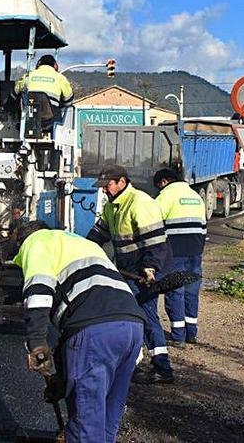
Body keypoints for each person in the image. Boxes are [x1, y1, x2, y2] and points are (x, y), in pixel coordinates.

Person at [13, 220, 145, 442]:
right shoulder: (80, 243)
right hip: (132, 327)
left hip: (96, 330)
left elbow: (39, 291)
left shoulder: (36, 242)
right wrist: (63, 381)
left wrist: (36, 342)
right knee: (106, 417)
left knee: (86, 423)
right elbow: (72, 337)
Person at [86, 163, 174, 384]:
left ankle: (162, 368)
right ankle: (134, 363)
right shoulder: (112, 206)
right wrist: (82, 250)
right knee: (131, 316)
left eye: (108, 185)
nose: (104, 190)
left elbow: (156, 243)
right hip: (127, 272)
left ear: (122, 182)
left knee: (145, 316)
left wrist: (150, 268)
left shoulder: (140, 203)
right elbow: (98, 234)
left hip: (144, 272)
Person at [153, 168, 206, 346]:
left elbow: (152, 222)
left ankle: (178, 336)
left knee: (175, 291)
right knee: (191, 291)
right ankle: (191, 333)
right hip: (195, 251)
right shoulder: (196, 196)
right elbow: (204, 226)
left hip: (174, 251)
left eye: (159, 185)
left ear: (164, 181)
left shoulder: (166, 195)